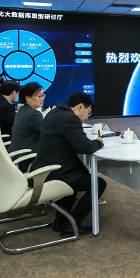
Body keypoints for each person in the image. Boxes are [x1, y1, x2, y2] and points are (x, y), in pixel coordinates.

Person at [30, 92, 105, 237]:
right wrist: (98, 142)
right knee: (98, 184)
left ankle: (60, 221)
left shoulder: (55, 112)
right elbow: (85, 147)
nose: (86, 118)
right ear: (80, 107)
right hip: (56, 171)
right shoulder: (70, 119)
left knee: (78, 177)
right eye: (88, 112)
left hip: (45, 166)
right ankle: (71, 225)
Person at [9, 82, 45, 172]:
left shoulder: (22, 110)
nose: (42, 98)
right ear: (28, 98)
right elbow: (50, 132)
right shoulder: (33, 114)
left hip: (17, 156)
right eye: (39, 96)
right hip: (26, 159)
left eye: (43, 95)